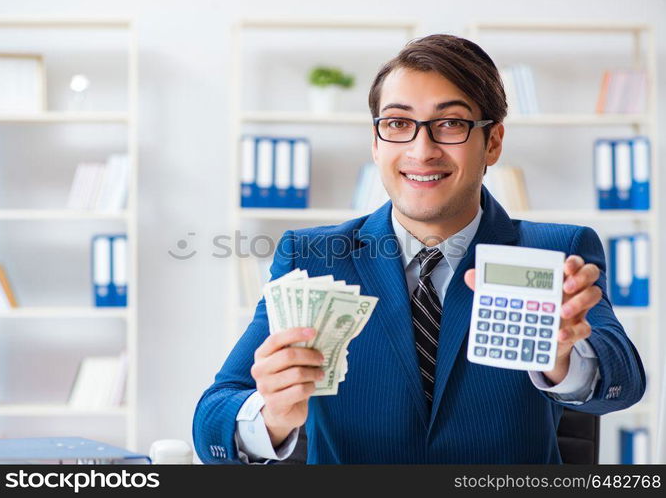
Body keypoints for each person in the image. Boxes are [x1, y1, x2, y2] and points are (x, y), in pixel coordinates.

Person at [193, 34, 645, 464]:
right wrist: (271, 416)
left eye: (450, 123)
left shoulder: (557, 253)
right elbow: (212, 416)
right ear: (375, 143)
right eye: (397, 123)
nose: (421, 149)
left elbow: (623, 382)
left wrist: (566, 358)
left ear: (492, 142)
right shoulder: (311, 256)